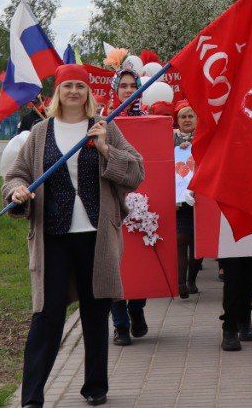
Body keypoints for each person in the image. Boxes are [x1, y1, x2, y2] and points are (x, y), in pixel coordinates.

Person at [3, 63, 146, 407]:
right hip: (53, 237)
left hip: (96, 237)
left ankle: (95, 387)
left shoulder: (103, 129)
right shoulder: (40, 133)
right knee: (47, 315)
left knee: (95, 313)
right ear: (57, 93)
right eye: (67, 86)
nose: (73, 92)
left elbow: (137, 169)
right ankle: (32, 396)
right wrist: (17, 191)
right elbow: (15, 175)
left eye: (79, 87)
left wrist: (106, 150)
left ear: (88, 93)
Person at [106, 62, 147, 346]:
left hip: (145, 201)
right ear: (115, 89)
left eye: (133, 86)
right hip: (112, 198)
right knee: (112, 263)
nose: (129, 90)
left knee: (141, 259)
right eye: (124, 86)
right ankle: (120, 324)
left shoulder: (150, 119)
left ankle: (137, 309)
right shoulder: (104, 122)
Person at [172, 99, 203, 298]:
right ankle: (180, 283)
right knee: (180, 239)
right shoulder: (170, 139)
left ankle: (192, 278)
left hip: (200, 199)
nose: (187, 119)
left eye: (190, 116)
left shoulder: (205, 137)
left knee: (199, 244)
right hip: (179, 201)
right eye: (183, 116)